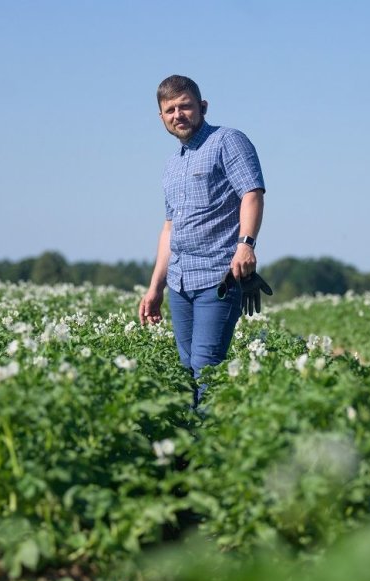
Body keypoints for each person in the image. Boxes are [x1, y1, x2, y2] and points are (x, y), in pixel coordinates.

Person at [138, 75, 266, 407]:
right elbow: (170, 229)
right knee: (184, 372)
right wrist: (155, 288)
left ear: (202, 107)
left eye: (185, 106)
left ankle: (212, 448)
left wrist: (246, 243)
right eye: (170, 110)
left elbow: (251, 193)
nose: (178, 115)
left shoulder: (228, 141)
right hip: (180, 283)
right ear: (161, 117)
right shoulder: (171, 165)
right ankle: (189, 450)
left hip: (218, 277)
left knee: (206, 368)